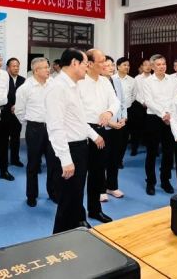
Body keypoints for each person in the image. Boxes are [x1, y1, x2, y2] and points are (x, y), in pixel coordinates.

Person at [46, 48, 104, 233]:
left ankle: (78, 224)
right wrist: (66, 159)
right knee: (67, 199)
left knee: (77, 194)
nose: (87, 67)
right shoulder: (57, 88)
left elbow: (78, 119)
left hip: (80, 147)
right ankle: (59, 238)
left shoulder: (74, 85)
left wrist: (94, 135)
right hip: (68, 149)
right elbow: (55, 127)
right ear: (74, 63)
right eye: (86, 63)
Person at [77, 49, 118, 223]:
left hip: (101, 130)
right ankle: (78, 216)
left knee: (97, 173)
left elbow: (115, 101)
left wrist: (109, 112)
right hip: (83, 132)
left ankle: (95, 210)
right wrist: (93, 135)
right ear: (90, 63)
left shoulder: (105, 81)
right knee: (80, 176)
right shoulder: (79, 82)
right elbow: (76, 114)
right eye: (101, 61)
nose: (105, 64)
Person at [15, 57, 58, 207]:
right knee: (33, 164)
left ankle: (53, 192)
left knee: (53, 163)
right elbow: (19, 111)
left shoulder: (53, 84)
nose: (48, 69)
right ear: (36, 70)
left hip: (52, 128)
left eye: (48, 66)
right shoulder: (25, 88)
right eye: (45, 67)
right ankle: (31, 195)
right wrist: (30, 124)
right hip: (35, 129)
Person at [142, 54, 177, 195]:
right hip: (153, 118)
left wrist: (169, 113)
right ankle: (150, 182)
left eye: (164, 64)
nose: (162, 66)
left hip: (170, 117)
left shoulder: (173, 80)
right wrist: (163, 114)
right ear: (152, 66)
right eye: (158, 64)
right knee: (151, 152)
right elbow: (149, 101)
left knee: (169, 151)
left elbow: (175, 98)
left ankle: (165, 180)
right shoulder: (147, 82)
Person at [0, 57, 25, 174]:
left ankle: (15, 159)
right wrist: (10, 106)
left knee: (16, 138)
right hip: (4, 115)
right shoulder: (3, 79)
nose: (16, 68)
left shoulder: (23, 80)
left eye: (17, 66)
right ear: (8, 67)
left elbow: (25, 97)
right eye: (14, 66)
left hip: (17, 115)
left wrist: (18, 106)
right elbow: (0, 96)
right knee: (3, 141)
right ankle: (3, 164)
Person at [105, 56, 127, 198]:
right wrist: (109, 122)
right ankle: (100, 189)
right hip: (104, 126)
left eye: (112, 65)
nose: (111, 68)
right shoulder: (98, 83)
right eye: (107, 65)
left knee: (115, 158)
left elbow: (122, 101)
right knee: (102, 159)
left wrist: (124, 117)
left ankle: (112, 186)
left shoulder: (116, 81)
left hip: (118, 125)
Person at [115, 57, 135, 168]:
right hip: (114, 113)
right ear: (118, 66)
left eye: (128, 65)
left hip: (127, 112)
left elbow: (134, 95)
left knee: (124, 138)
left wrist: (126, 105)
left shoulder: (132, 80)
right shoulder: (112, 79)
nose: (127, 67)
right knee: (115, 138)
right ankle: (113, 158)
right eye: (124, 65)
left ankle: (119, 160)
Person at [129, 59, 151, 156]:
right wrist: (142, 102)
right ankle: (134, 148)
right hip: (139, 106)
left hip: (152, 106)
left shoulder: (154, 78)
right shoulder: (137, 78)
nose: (148, 67)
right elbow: (135, 93)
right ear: (142, 66)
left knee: (150, 129)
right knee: (136, 129)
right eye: (145, 65)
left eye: (150, 65)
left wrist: (150, 103)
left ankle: (152, 149)